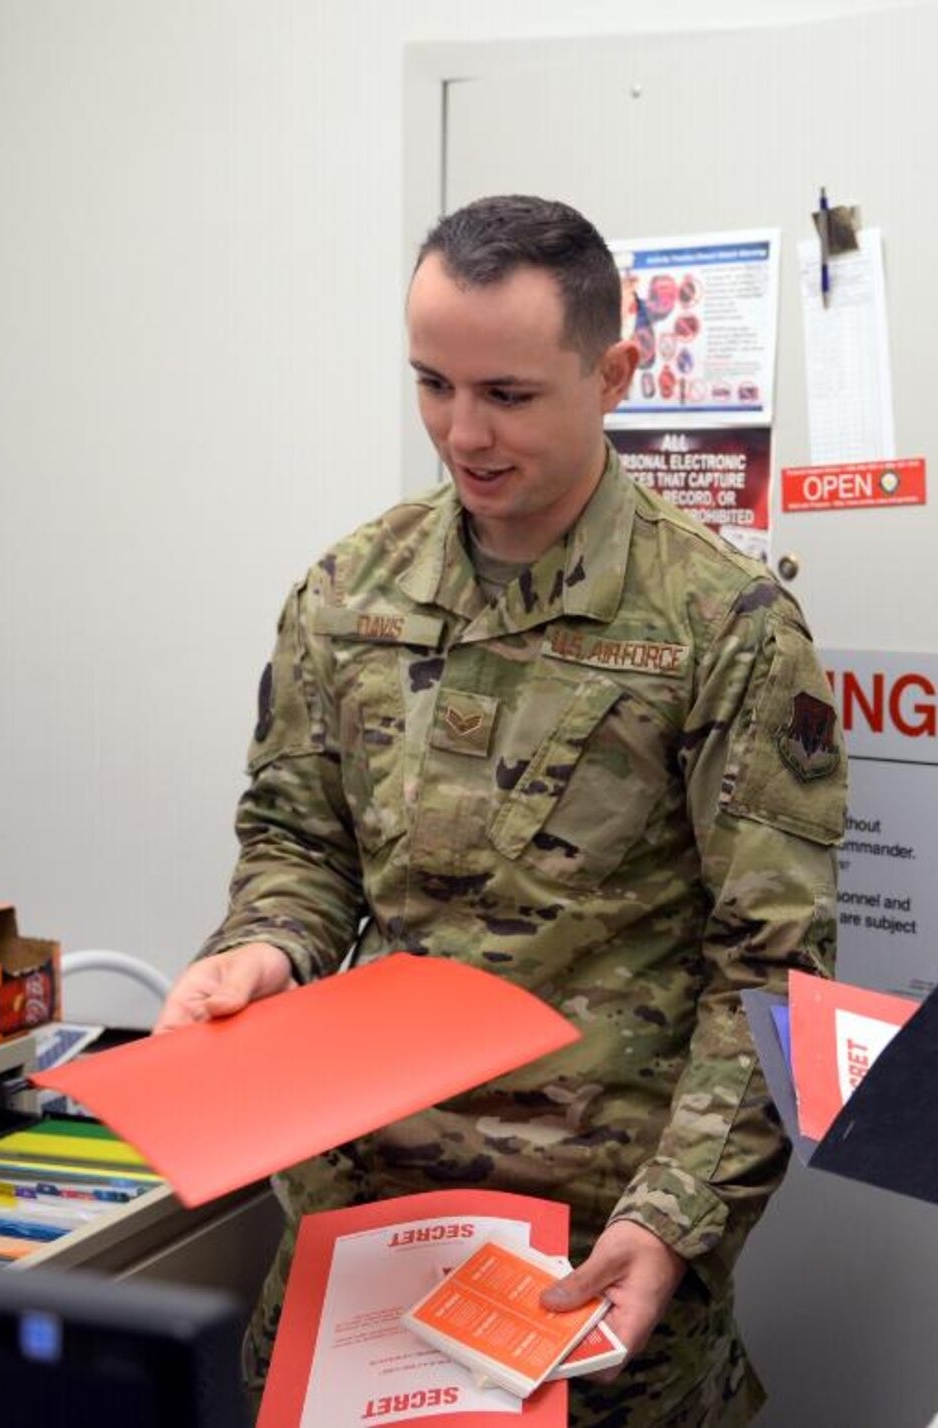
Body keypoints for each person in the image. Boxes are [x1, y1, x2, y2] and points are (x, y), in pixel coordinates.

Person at [155, 194, 845, 1426]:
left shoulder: (721, 626)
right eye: (432, 384)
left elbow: (774, 972)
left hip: (594, 1243)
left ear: (613, 372)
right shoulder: (350, 589)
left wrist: (671, 1217)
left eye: (508, 395)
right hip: (357, 1216)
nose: (461, 434)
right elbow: (300, 845)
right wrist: (261, 949)